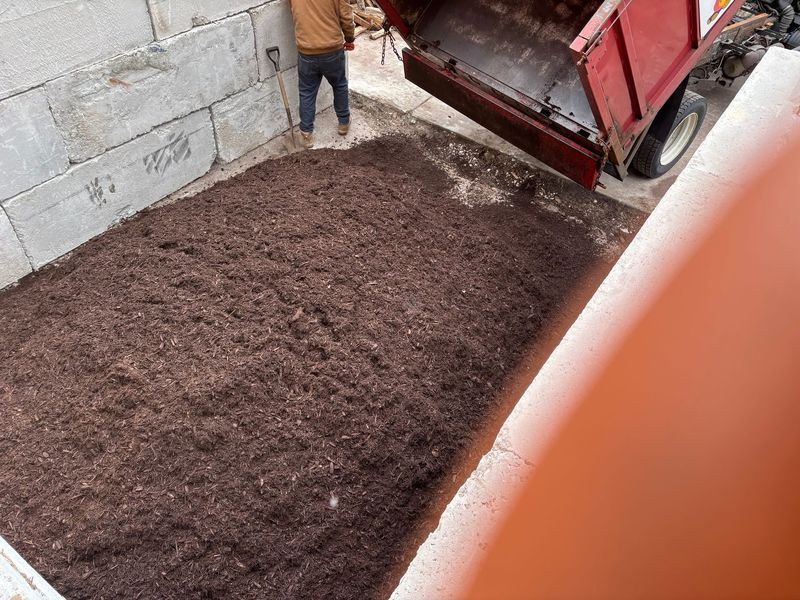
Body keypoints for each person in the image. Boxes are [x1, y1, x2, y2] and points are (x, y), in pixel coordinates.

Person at [288, 0, 356, 148]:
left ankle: (306, 134)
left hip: (306, 50)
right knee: (339, 85)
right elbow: (346, 16)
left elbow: (293, 10)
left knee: (306, 91)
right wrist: (350, 38)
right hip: (332, 48)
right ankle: (343, 123)